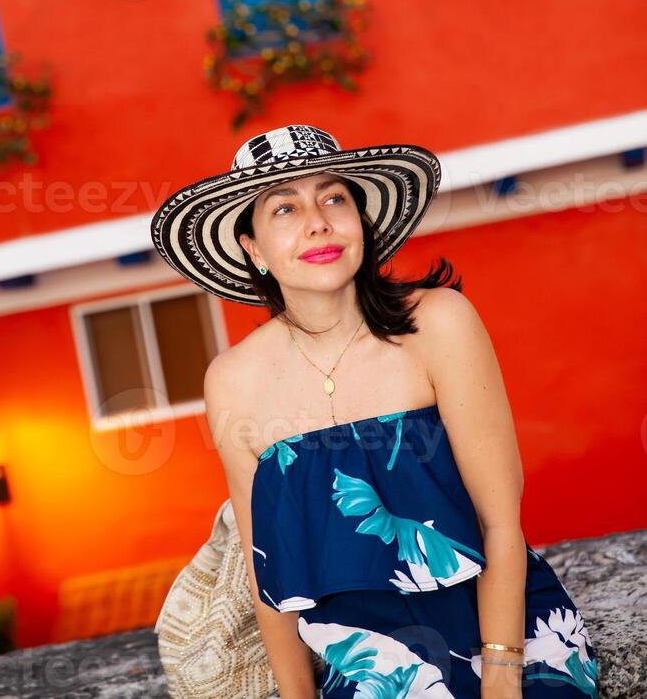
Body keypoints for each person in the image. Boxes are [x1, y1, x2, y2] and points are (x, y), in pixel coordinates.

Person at [150, 124, 599, 699]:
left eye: (333, 198)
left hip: (510, 638)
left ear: (360, 221)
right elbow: (272, 580)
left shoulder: (439, 323)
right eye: (283, 208)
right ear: (254, 249)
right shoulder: (232, 380)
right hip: (370, 670)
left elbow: (500, 523)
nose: (317, 221)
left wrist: (503, 678)